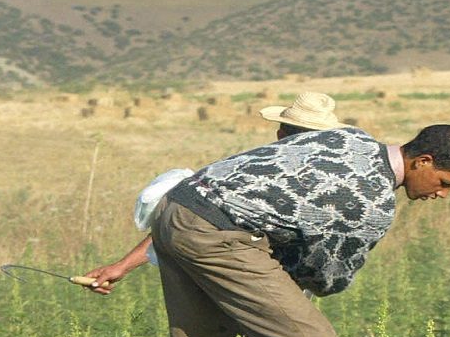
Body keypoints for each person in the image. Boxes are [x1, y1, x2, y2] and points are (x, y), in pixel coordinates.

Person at [145, 122, 450, 337]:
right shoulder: (373, 203)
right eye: (444, 183)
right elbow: (327, 278)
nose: (442, 195)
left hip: (176, 207)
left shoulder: (352, 137)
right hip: (217, 232)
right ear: (422, 161)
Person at [80, 92, 346, 292]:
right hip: (264, 283)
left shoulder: (242, 171)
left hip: (235, 276)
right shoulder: (336, 183)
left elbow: (186, 215)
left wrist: (122, 266)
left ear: (280, 133)